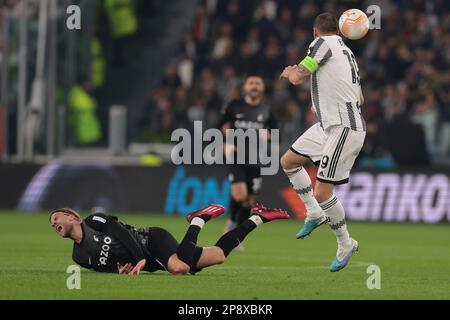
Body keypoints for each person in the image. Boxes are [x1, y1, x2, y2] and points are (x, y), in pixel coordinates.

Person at [278, 13, 366, 272]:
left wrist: (289, 71)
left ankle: (345, 242)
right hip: (329, 124)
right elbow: (360, 99)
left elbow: (298, 77)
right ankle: (314, 213)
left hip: (343, 127)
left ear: (315, 31)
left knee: (323, 192)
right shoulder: (347, 53)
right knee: (289, 161)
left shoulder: (321, 44)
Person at [49, 204, 288, 275]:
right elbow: (105, 269)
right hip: (151, 262)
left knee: (179, 267)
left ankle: (199, 219)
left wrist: (140, 259)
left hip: (151, 240)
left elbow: (121, 232)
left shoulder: (93, 221)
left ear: (72, 217)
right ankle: (258, 218)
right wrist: (118, 271)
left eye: (57, 218)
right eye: (52, 225)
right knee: (219, 255)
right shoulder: (78, 257)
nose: (55, 224)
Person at [216, 75, 277, 245]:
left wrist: (269, 135)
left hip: (256, 159)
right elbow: (217, 126)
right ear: (246, 87)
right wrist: (223, 144)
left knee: (249, 200)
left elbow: (275, 132)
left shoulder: (267, 109)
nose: (254, 86)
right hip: (236, 155)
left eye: (258, 83)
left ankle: (237, 234)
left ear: (262, 87)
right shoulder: (234, 106)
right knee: (240, 194)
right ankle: (231, 227)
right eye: (251, 83)